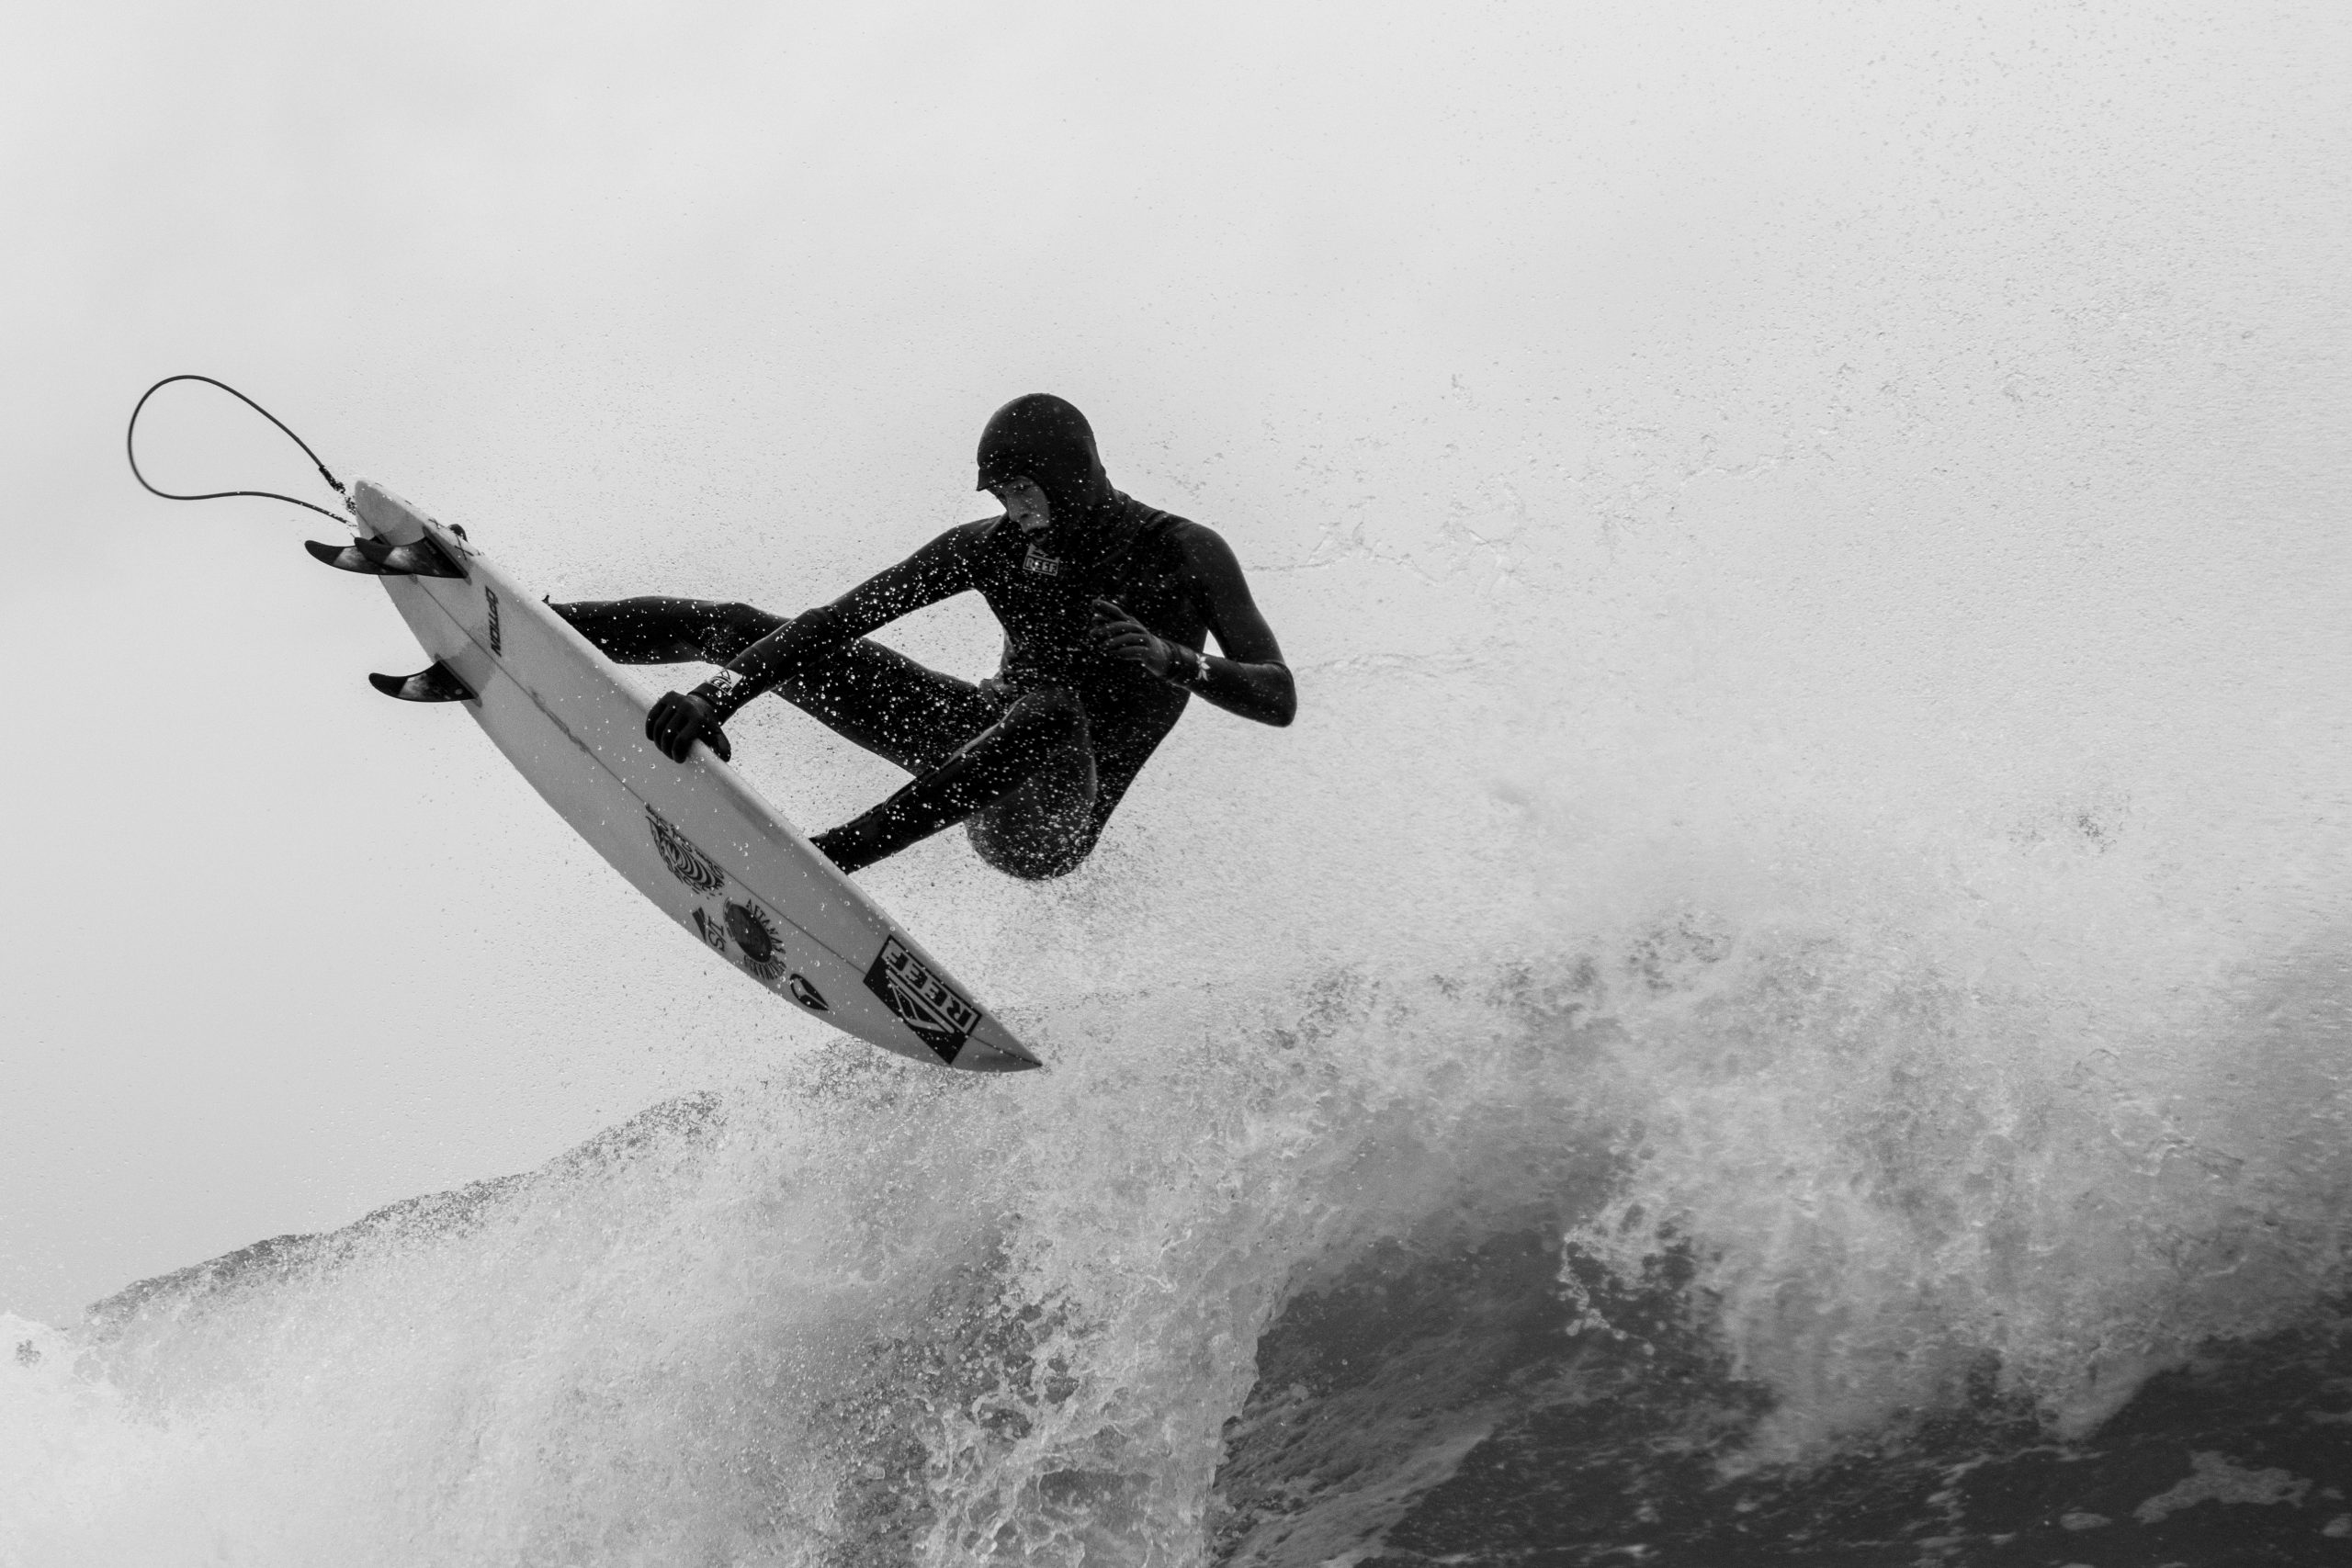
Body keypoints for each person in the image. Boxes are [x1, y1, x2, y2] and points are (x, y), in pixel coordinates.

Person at [550, 394, 1295, 879]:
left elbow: (1277, 695)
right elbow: (836, 623)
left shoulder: (1183, 552)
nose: (1017, 510)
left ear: (1075, 476)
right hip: (974, 739)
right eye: (1002, 495)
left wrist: (1177, 660)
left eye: (1026, 492)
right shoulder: (990, 548)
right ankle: (543, 622)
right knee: (742, 626)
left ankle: (829, 859)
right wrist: (721, 696)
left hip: (1049, 817)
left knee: (1051, 711)